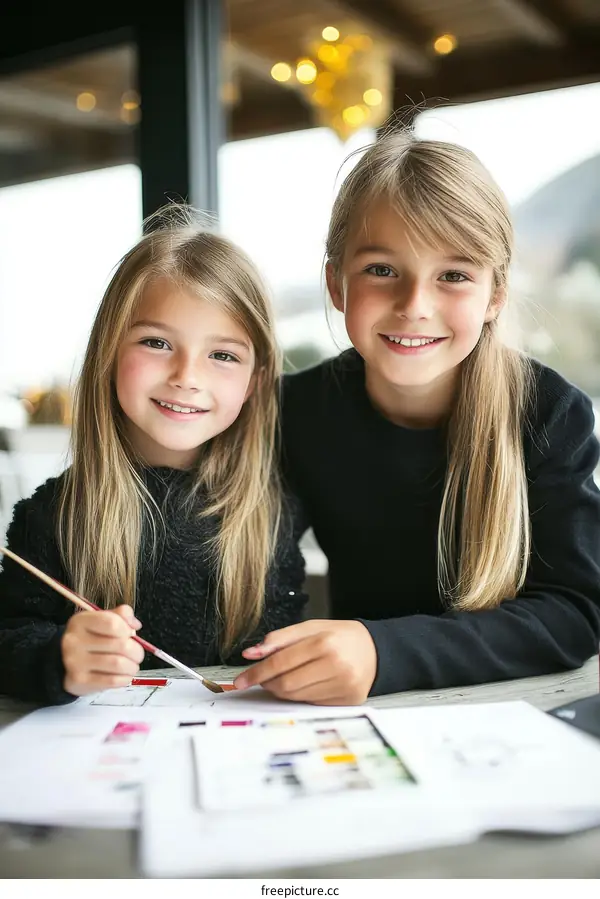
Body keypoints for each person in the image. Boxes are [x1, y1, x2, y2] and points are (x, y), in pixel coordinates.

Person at [234, 131, 600, 706]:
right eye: (382, 270)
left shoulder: (549, 413)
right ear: (337, 283)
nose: (414, 304)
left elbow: (575, 613)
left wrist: (384, 653)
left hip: (509, 712)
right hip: (349, 717)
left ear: (495, 294)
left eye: (453, 275)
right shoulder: (291, 411)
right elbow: (240, 563)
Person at [0, 205, 307, 705]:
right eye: (157, 342)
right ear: (109, 351)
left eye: (222, 355)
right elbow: (9, 641)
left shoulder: (271, 517)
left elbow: (273, 653)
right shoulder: (50, 516)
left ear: (254, 380)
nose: (187, 375)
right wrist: (59, 658)